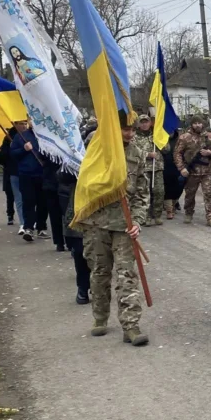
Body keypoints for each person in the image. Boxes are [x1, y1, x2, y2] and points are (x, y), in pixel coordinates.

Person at [80, 114, 149, 344]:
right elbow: (85, 181)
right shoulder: (97, 146)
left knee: (126, 274)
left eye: (132, 129)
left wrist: (137, 221)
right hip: (96, 223)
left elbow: (141, 190)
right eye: (124, 129)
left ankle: (131, 325)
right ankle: (100, 317)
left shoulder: (136, 153)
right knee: (100, 272)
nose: (129, 133)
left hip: (124, 224)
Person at [173, 115, 211, 227]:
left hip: (207, 172)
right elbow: (177, 153)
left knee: (209, 194)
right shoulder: (185, 137)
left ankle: (210, 217)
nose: (198, 125)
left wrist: (210, 152)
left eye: (199, 123)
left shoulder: (209, 136)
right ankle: (188, 213)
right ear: (191, 124)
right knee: (190, 194)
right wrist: (182, 168)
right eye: (195, 123)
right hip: (191, 172)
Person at [9, 119, 49, 241]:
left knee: (43, 202)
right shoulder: (21, 136)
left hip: (43, 174)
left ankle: (41, 227)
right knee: (28, 201)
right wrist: (24, 149)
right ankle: (28, 228)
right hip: (26, 174)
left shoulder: (45, 136)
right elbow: (13, 154)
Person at [58, 163, 91, 305]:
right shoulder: (77, 149)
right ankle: (83, 287)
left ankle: (98, 287)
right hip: (79, 210)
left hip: (106, 211)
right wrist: (74, 166)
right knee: (79, 251)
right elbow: (61, 176)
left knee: (103, 253)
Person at [134, 114, 165, 225]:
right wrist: (147, 154)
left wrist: (160, 142)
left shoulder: (155, 135)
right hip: (143, 168)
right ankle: (145, 216)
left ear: (150, 123)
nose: (144, 124)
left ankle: (157, 215)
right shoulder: (134, 137)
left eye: (146, 122)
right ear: (138, 124)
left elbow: (167, 149)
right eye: (142, 122)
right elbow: (133, 152)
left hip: (157, 167)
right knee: (144, 192)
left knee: (159, 191)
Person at [0, 126, 23, 230]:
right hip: (12, 171)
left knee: (14, 196)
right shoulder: (8, 140)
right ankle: (11, 215)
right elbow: (2, 157)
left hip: (14, 171)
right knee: (13, 195)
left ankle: (13, 216)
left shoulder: (10, 139)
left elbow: (1, 158)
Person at [41, 155, 66, 251]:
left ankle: (70, 241)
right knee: (55, 214)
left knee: (67, 214)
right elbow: (41, 156)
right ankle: (60, 242)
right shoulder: (46, 144)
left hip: (65, 182)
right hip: (51, 183)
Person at [161, 128, 183, 219]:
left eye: (171, 130)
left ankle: (174, 204)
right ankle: (169, 210)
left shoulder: (180, 140)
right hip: (164, 167)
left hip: (178, 167)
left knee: (178, 187)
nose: (170, 132)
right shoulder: (161, 140)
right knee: (167, 189)